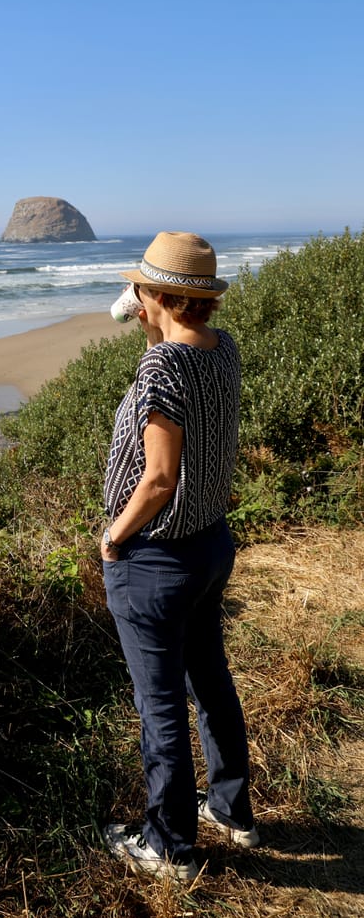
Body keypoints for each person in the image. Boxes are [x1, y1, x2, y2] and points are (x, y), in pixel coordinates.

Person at [100, 231, 259, 883]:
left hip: (157, 558)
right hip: (210, 543)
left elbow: (160, 478)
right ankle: (231, 810)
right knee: (210, 683)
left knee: (159, 702)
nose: (132, 296)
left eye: (140, 287)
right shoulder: (222, 350)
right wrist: (153, 331)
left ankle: (168, 848)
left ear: (158, 296)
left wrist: (114, 536)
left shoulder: (162, 368)